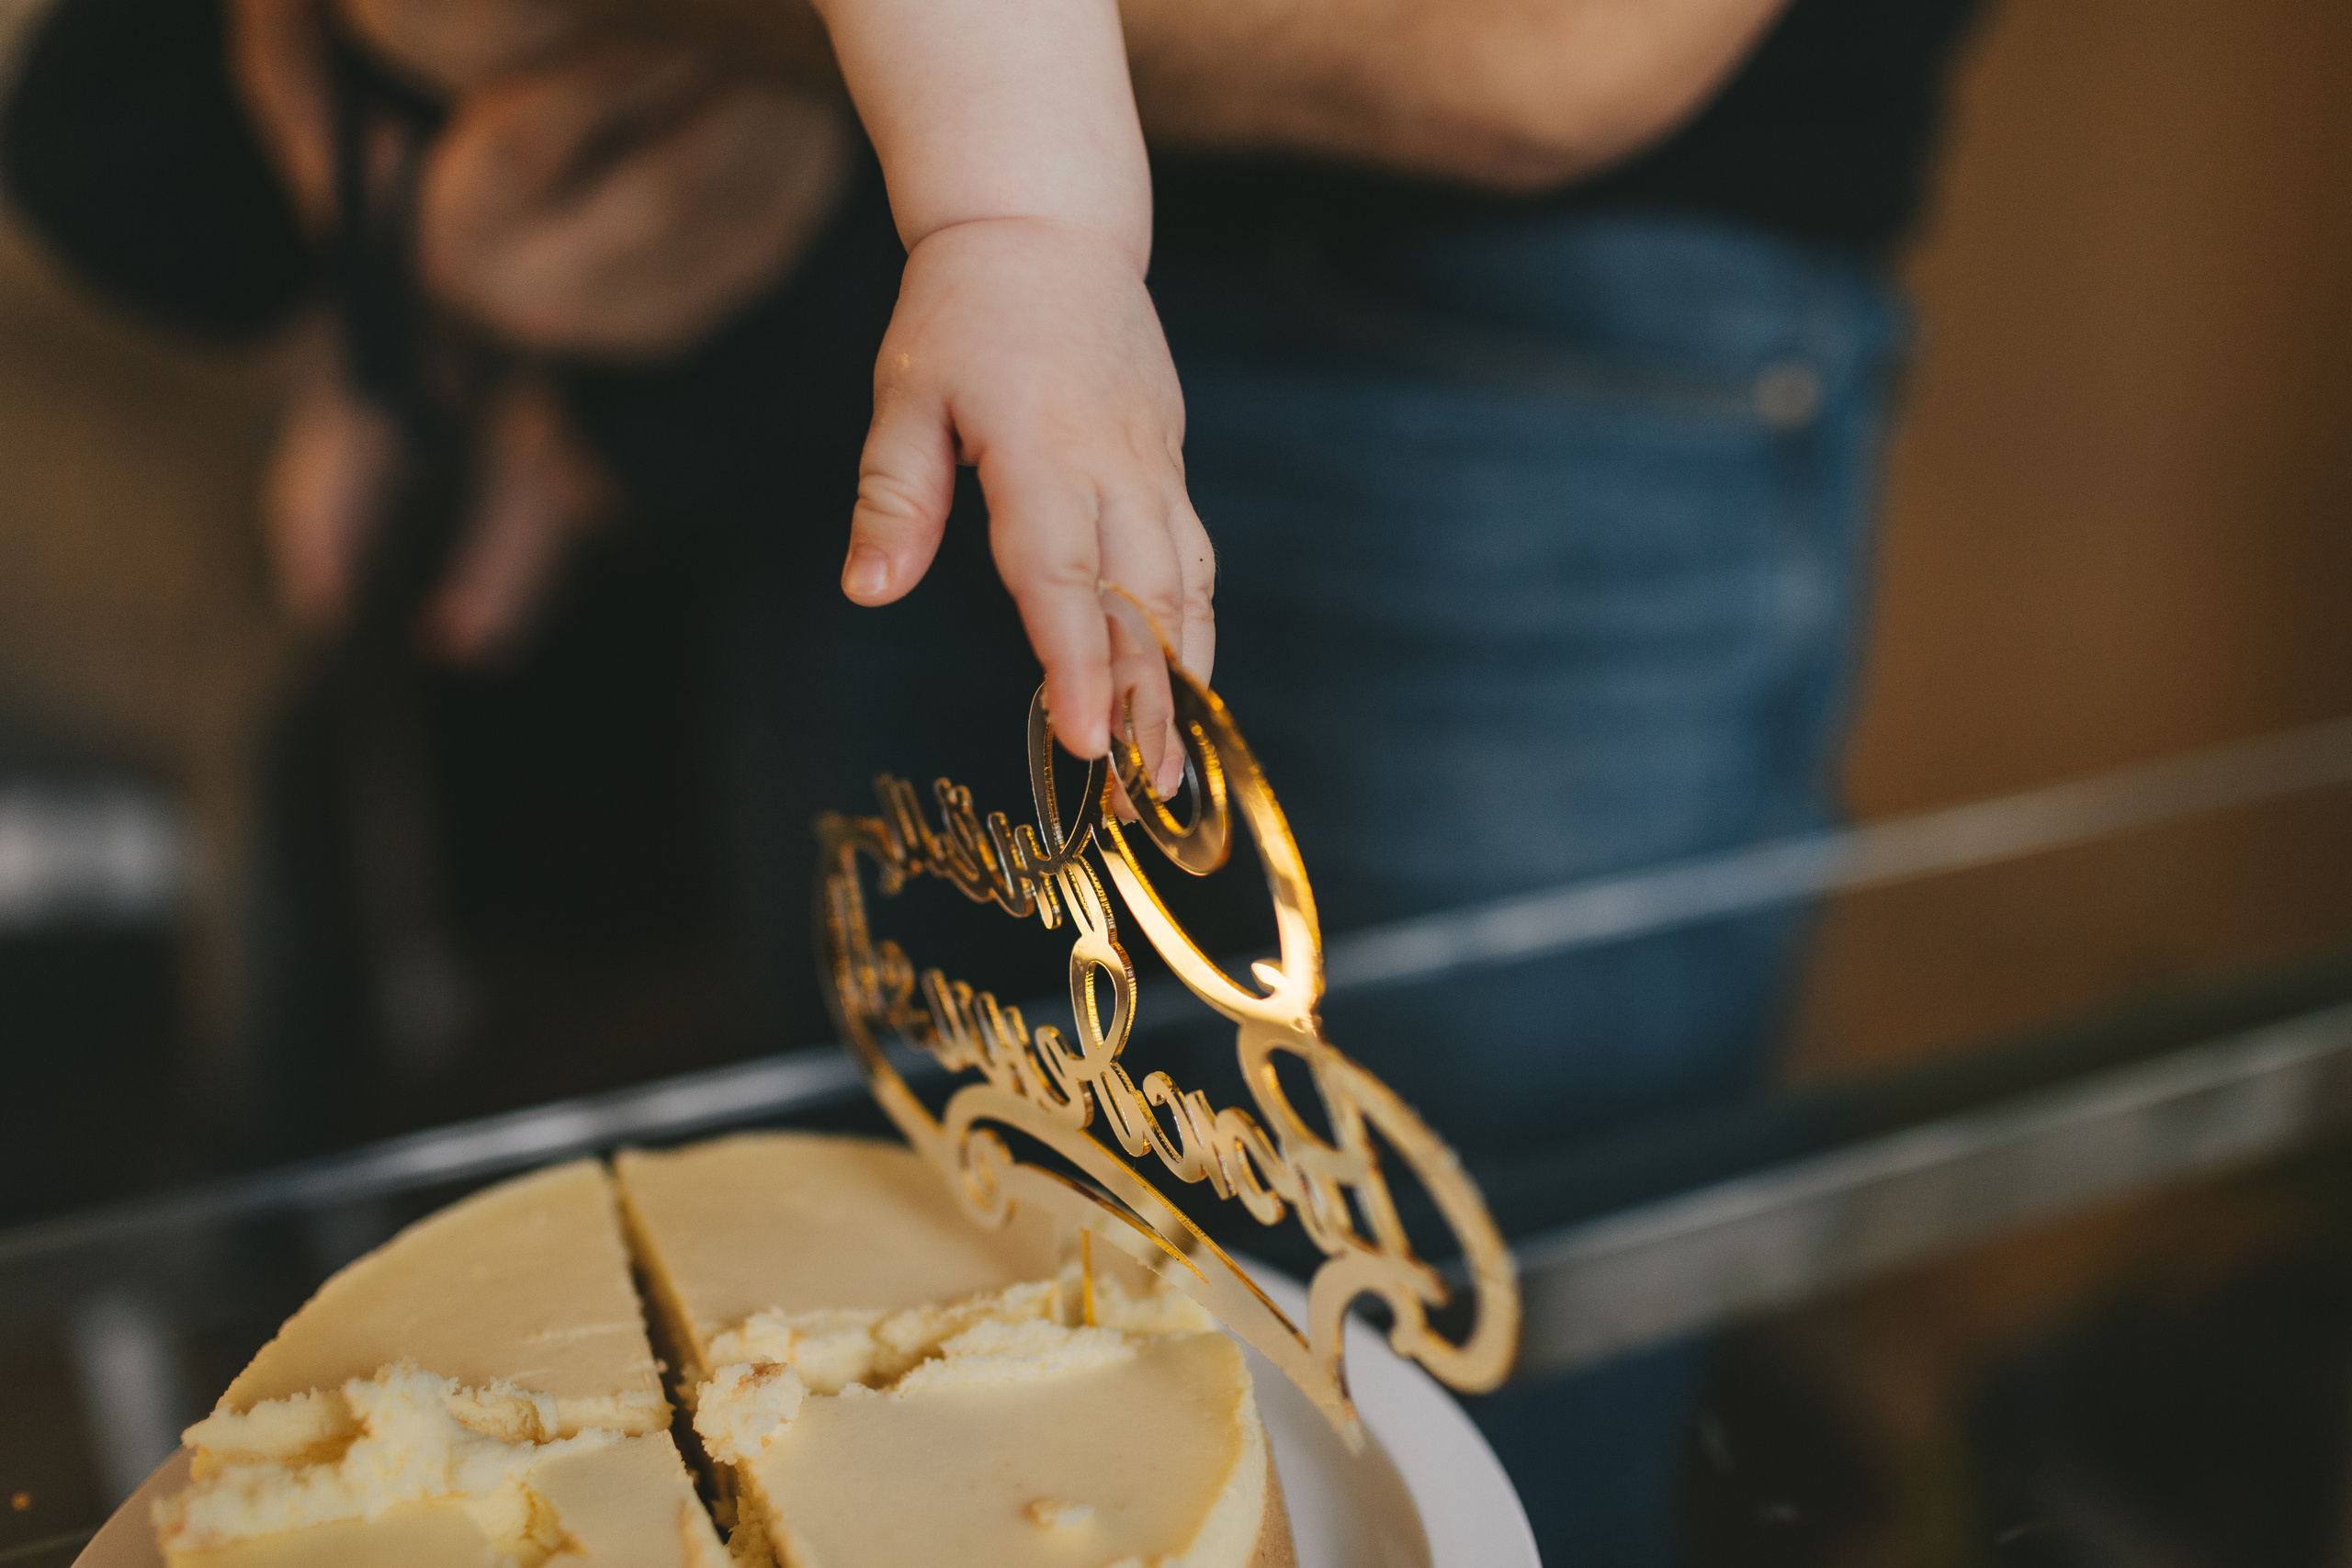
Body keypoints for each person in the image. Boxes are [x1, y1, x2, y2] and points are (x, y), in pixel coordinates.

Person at [3, 0, 1982, 1558]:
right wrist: (415, 305)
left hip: (1521, 299)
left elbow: (1567, 50)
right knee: (899, 1231)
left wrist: (1019, 227)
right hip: (842, 290)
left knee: (1476, 1437)